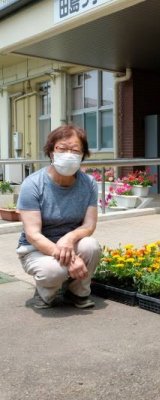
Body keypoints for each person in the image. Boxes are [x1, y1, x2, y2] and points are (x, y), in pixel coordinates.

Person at [16, 125, 101, 309]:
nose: (68, 154)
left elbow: (89, 225)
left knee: (91, 246)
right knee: (54, 270)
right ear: (51, 151)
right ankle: (45, 294)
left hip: (68, 244)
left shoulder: (89, 184)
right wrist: (68, 258)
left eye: (75, 150)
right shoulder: (33, 184)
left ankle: (77, 292)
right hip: (35, 248)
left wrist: (69, 238)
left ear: (83, 155)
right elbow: (33, 234)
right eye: (62, 148)